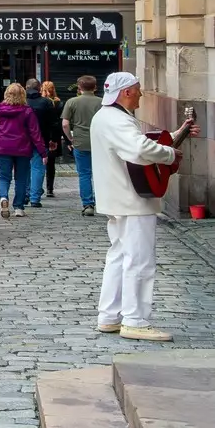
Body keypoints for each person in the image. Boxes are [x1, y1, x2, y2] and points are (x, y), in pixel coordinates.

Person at [91, 70, 198, 341]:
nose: (141, 94)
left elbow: (141, 144)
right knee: (139, 260)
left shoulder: (107, 117)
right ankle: (135, 319)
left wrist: (176, 135)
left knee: (119, 257)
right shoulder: (117, 120)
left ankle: (110, 315)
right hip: (133, 198)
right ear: (126, 92)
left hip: (120, 197)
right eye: (138, 89)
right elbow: (140, 149)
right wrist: (170, 153)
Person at [0, 81, 45, 218]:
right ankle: (18, 207)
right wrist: (42, 151)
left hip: (2, 146)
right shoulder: (27, 111)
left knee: (3, 177)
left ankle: (3, 198)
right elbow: (35, 133)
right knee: (21, 178)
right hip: (22, 147)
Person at [63, 75, 105, 216]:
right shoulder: (102, 102)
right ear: (95, 87)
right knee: (101, 173)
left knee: (84, 174)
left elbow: (65, 124)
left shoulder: (72, 102)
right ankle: (105, 202)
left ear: (79, 87)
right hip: (99, 142)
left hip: (80, 142)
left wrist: (70, 139)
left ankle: (88, 204)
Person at [26, 78, 63, 205]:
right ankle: (35, 198)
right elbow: (54, 123)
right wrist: (53, 139)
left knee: (24, 167)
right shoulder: (46, 102)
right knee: (38, 168)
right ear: (38, 88)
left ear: (26, 88)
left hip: (22, 140)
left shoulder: (22, 102)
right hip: (42, 139)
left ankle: (25, 194)